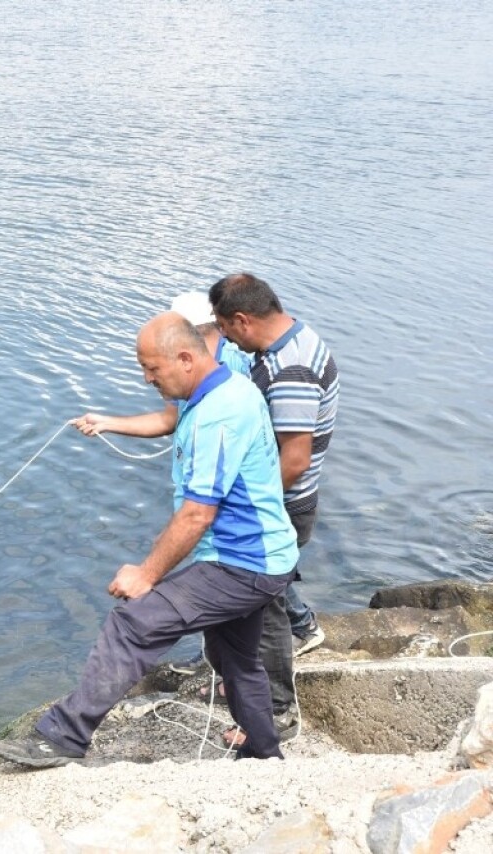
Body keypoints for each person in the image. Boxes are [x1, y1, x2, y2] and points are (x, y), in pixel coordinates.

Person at [0, 312, 298, 767]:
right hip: (262, 555)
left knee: (133, 624)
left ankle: (62, 737)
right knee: (235, 656)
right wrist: (111, 422)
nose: (146, 377)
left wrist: (147, 574)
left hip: (244, 562)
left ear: (187, 358)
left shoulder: (220, 413)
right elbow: (174, 436)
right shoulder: (218, 388)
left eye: (152, 368)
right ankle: (262, 754)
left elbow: (197, 514)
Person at [209, 272, 339, 745]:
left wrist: (243, 501)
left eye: (224, 327)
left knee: (263, 609)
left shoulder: (291, 368)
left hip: (281, 506)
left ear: (242, 320)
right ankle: (259, 674)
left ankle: (276, 712)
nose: (223, 337)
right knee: (272, 595)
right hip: (281, 503)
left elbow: (296, 459)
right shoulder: (289, 341)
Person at [69, 291, 252, 441]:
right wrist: (105, 423)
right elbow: (169, 420)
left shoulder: (234, 366)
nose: (147, 379)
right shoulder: (179, 372)